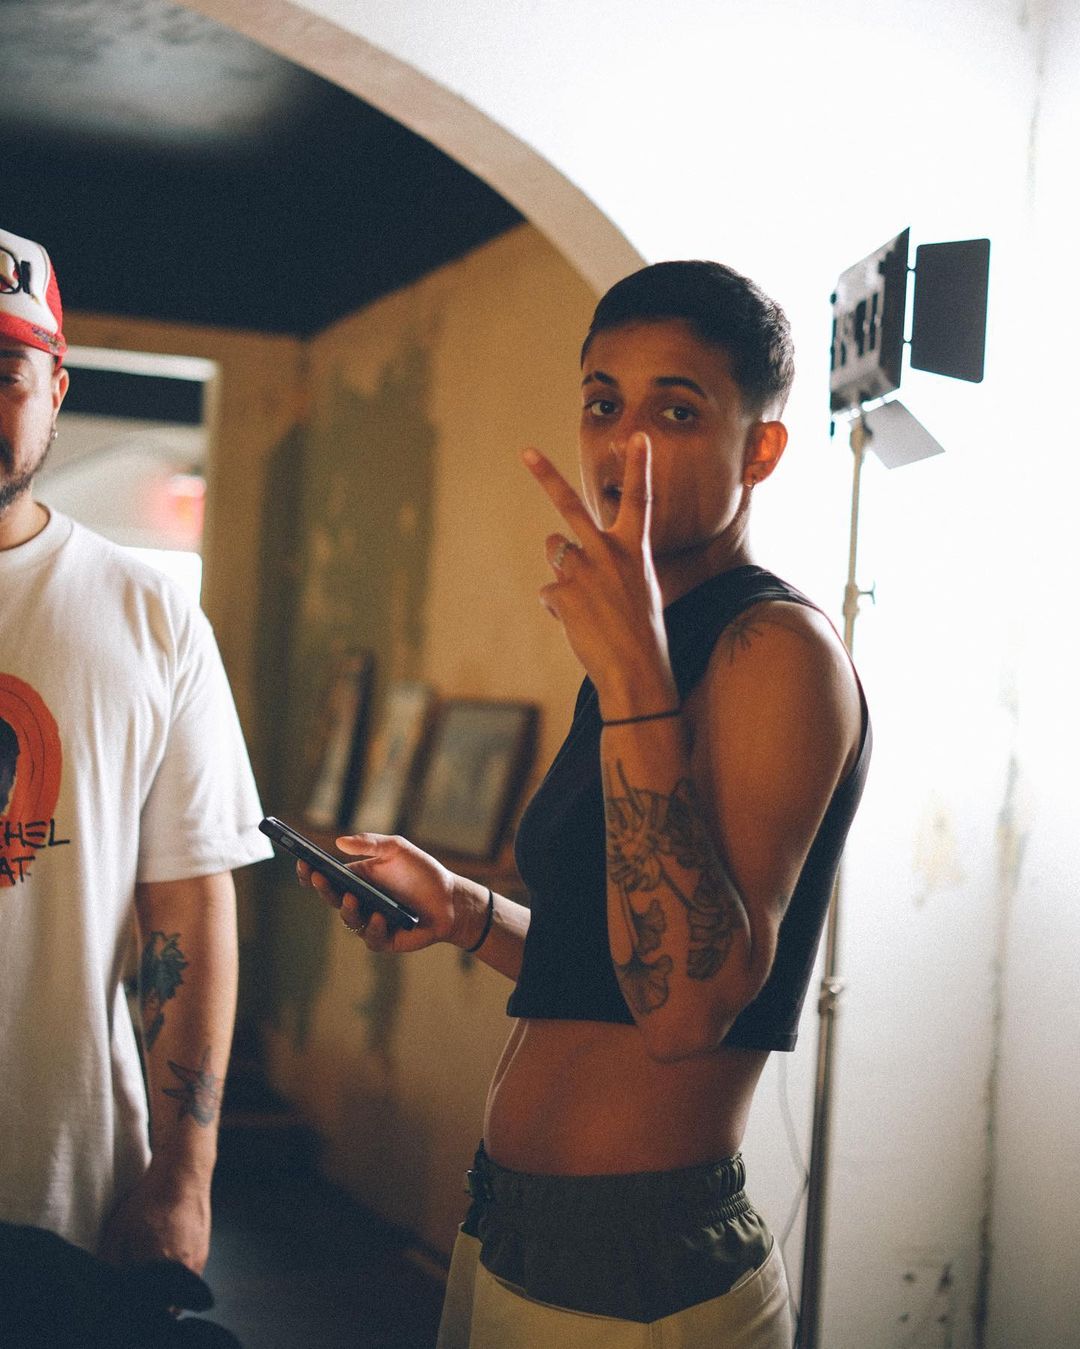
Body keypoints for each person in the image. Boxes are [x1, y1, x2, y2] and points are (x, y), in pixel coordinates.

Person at [300, 260, 871, 1347]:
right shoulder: (641, 640)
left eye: (677, 410)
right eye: (604, 404)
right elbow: (622, 967)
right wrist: (466, 909)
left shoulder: (773, 649)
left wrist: (636, 681)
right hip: (510, 1228)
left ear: (760, 450)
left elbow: (688, 1008)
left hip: (642, 1268)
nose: (625, 445)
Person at [0, 224, 273, 1273]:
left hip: (63, 1186)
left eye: (6, 370)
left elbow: (188, 906)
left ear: (55, 389)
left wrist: (184, 1178)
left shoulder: (150, 616)